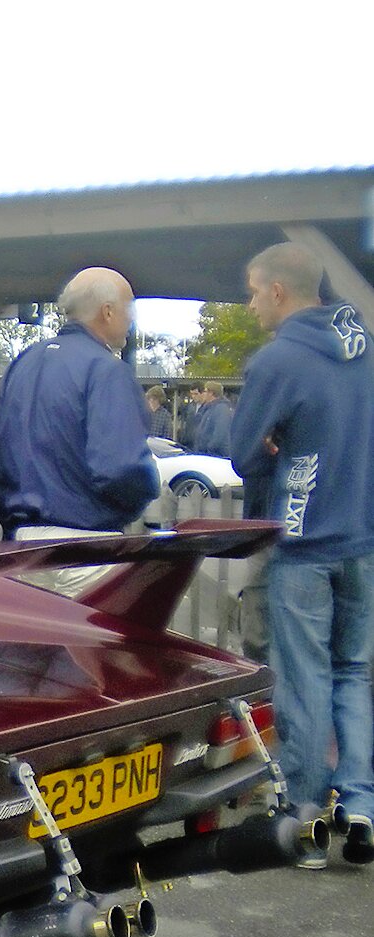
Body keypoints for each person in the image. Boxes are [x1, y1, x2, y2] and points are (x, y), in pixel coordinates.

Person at [229, 240, 374, 866]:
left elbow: (240, 452)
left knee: (305, 678)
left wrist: (276, 441)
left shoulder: (278, 360)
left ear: (280, 291)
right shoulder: (365, 348)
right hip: (364, 537)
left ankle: (305, 815)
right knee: (353, 674)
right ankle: (363, 803)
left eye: (255, 291)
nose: (253, 302)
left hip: (304, 535)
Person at [0, 268, 159, 591]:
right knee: (94, 641)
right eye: (129, 308)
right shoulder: (107, 371)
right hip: (88, 547)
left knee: (35, 640)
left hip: (24, 544)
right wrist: (150, 487)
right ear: (107, 312)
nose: (131, 319)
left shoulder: (22, 364)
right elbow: (120, 467)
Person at [190, 380, 235, 457]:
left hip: (214, 456)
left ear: (211, 393)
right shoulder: (209, 408)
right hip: (205, 455)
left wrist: (208, 450)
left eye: (205, 391)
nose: (203, 394)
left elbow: (220, 436)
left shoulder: (221, 409)